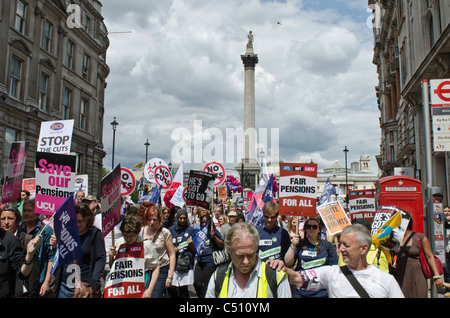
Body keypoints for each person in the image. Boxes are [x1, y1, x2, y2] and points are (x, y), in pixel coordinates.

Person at [280, 224, 404, 298]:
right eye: (341, 244)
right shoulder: (331, 273)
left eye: (347, 245)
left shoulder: (387, 281)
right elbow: (297, 278)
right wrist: (281, 268)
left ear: (363, 248)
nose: (341, 249)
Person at [206, 222, 291, 298]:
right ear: (229, 250)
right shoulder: (218, 277)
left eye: (250, 255)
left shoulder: (276, 276)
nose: (246, 261)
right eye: (240, 256)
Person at [53, 202, 106, 298]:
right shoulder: (67, 232)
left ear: (88, 220)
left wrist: (95, 280)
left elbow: (101, 258)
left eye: (80, 221)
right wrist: (55, 246)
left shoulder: (95, 234)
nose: (77, 225)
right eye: (74, 221)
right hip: (65, 286)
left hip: (84, 287)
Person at [285, 217, 338, 298]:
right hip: (301, 291)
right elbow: (288, 262)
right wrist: (293, 245)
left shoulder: (327, 246)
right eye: (309, 226)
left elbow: (334, 268)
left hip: (321, 292)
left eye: (314, 227)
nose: (311, 229)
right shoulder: (299, 244)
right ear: (305, 229)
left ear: (319, 229)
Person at [109, 215, 160, 298]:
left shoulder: (146, 245)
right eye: (125, 235)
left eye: (131, 236)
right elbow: (113, 268)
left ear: (137, 233)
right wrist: (111, 257)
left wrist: (150, 290)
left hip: (140, 289)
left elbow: (156, 267)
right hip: (122, 290)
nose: (128, 239)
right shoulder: (119, 243)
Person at [392, 218, 443, 297]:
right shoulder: (395, 239)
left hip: (418, 275)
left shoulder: (420, 237)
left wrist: (437, 276)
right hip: (400, 275)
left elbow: (429, 256)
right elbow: (390, 256)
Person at [0, 204, 41, 297]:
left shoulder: (26, 240)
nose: (6, 222)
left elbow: (30, 274)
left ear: (17, 221)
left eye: (10, 218)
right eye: (3, 219)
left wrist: (29, 256)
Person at [139, 202, 176, 298]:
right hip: (145, 270)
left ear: (159, 219)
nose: (151, 222)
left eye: (154, 220)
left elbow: (172, 254)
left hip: (161, 269)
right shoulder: (141, 231)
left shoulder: (165, 233)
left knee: (155, 295)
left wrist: (170, 276)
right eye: (149, 220)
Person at [19, 199, 54, 297]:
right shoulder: (19, 228)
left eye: (29, 211)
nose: (26, 213)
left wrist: (46, 282)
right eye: (24, 210)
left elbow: (51, 257)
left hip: (39, 280)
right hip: (22, 279)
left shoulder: (45, 230)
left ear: (38, 213)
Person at [193, 213, 224, 298]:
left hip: (209, 262)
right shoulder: (199, 233)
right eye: (202, 222)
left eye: (206, 222)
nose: (204, 224)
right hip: (200, 260)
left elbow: (221, 244)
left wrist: (214, 237)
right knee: (196, 283)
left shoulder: (213, 231)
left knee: (206, 284)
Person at [168, 209, 196, 298]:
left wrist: (191, 244)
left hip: (186, 263)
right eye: (180, 218)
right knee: (172, 287)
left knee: (183, 289)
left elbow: (195, 250)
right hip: (174, 263)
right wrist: (172, 250)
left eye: (184, 218)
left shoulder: (190, 230)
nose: (182, 220)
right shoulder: (171, 230)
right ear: (177, 218)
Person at [444, 206, 450, 297]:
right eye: (445, 211)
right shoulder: (441, 223)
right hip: (445, 250)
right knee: (447, 270)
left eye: (448, 211)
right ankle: (448, 289)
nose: (447, 213)